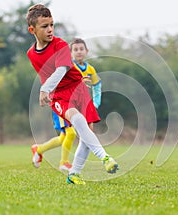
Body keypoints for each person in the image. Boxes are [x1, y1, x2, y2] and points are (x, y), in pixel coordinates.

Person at [26, 4, 118, 185]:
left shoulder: (59, 45)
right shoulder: (31, 54)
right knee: (76, 119)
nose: (50, 29)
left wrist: (44, 89)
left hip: (79, 89)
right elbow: (47, 74)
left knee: (87, 134)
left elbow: (61, 69)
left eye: (52, 24)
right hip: (60, 95)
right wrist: (48, 90)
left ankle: (74, 174)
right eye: (44, 26)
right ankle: (105, 158)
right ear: (32, 30)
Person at [31, 38, 102, 172]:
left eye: (81, 49)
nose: (79, 52)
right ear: (69, 53)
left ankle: (38, 149)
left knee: (63, 137)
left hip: (79, 106)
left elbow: (97, 85)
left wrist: (96, 102)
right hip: (63, 103)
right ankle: (64, 163)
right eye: (75, 49)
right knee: (70, 134)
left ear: (87, 51)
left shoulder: (90, 69)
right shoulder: (66, 66)